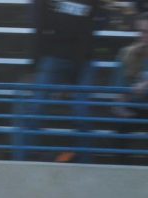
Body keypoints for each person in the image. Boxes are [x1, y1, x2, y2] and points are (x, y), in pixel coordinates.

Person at [14, 0, 106, 162]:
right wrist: (32, 68)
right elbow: (40, 30)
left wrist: (71, 80)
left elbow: (89, 32)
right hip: (54, 55)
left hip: (83, 59)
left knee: (82, 113)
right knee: (34, 108)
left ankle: (85, 162)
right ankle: (25, 159)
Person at [110, 11, 148, 165]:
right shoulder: (127, 54)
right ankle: (120, 169)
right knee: (119, 125)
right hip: (133, 107)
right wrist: (121, 108)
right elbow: (118, 90)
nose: (144, 36)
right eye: (141, 31)